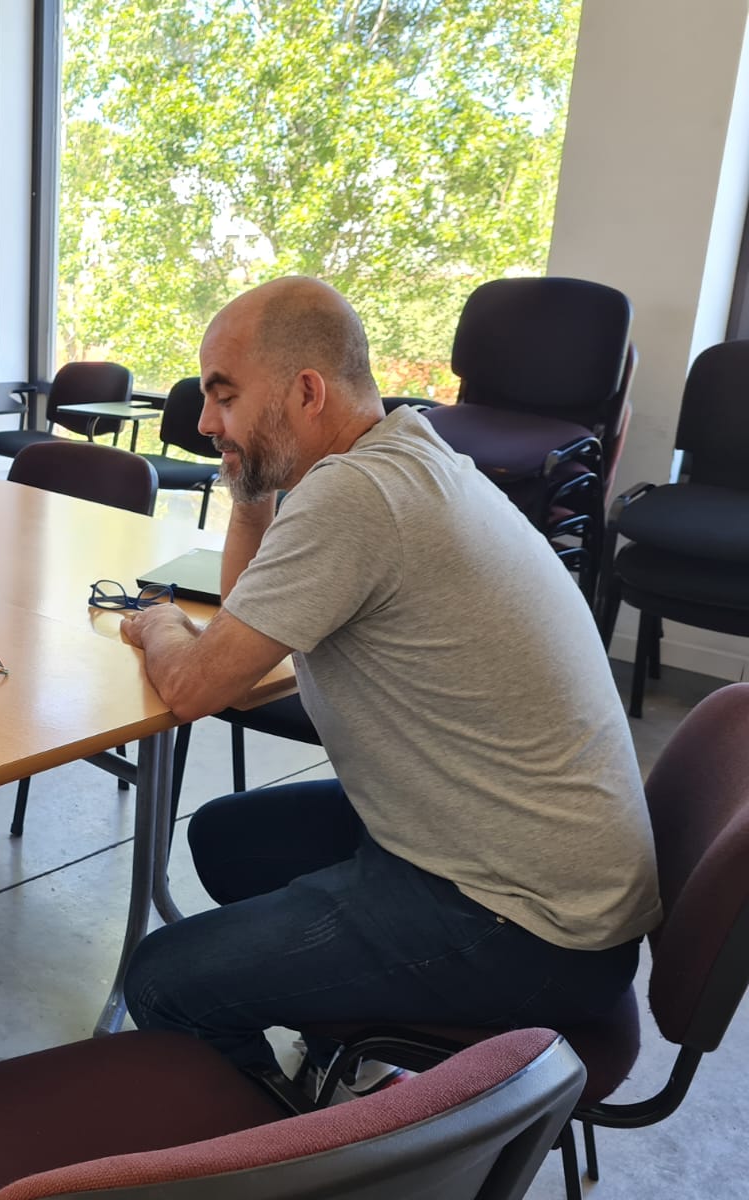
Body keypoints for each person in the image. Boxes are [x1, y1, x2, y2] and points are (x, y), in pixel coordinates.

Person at [120, 276, 660, 1102]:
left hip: (528, 927)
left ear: (306, 391)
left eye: (223, 396)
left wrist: (155, 619)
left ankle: (296, 1156)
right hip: (509, 861)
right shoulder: (407, 452)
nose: (202, 420)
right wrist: (248, 487)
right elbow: (248, 625)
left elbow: (198, 681)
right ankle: (351, 1040)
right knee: (228, 840)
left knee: (161, 980)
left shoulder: (356, 497)